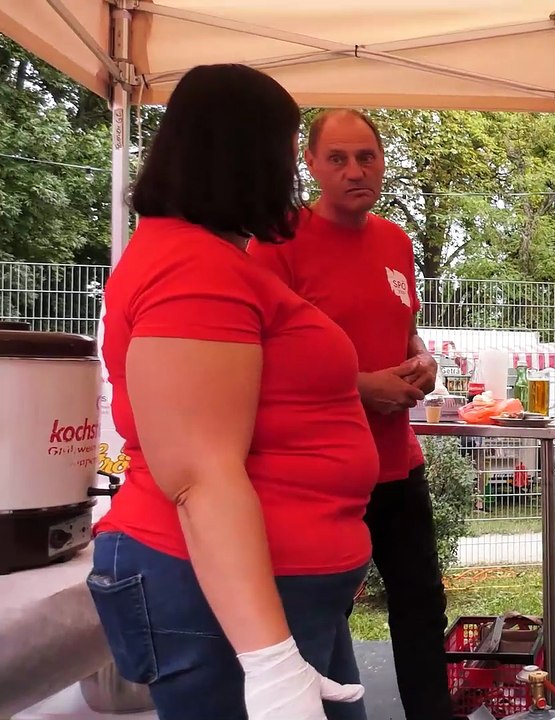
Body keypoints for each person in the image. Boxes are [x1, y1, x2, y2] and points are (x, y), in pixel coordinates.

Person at [89, 65, 376, 720]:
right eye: (286, 151)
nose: (291, 176)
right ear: (248, 155)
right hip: (222, 606)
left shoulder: (208, 258)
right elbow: (199, 475)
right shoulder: (192, 267)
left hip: (262, 598)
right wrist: (271, 663)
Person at [249, 109, 449, 720]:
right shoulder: (276, 241)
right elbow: (256, 361)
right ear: (309, 164)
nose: (354, 171)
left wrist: (423, 361)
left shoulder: (395, 241)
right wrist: (360, 389)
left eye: (366, 157)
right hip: (318, 474)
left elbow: (401, 330)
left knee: (421, 605)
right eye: (337, 158)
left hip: (395, 463)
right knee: (320, 615)